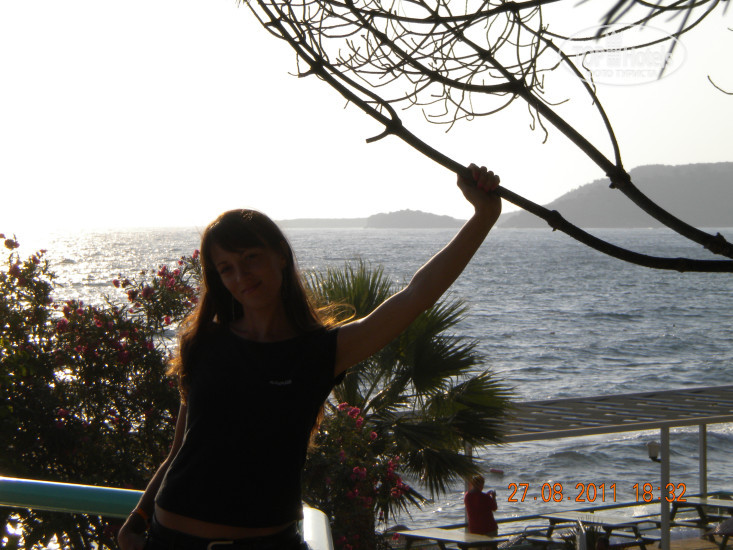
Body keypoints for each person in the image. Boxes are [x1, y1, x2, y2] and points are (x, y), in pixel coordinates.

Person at [117, 164, 502, 550]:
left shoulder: (320, 351)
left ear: (280, 256)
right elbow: (180, 449)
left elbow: (417, 294)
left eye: (251, 257)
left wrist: (484, 217)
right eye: (226, 268)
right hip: (170, 539)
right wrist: (137, 520)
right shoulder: (203, 343)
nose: (241, 275)